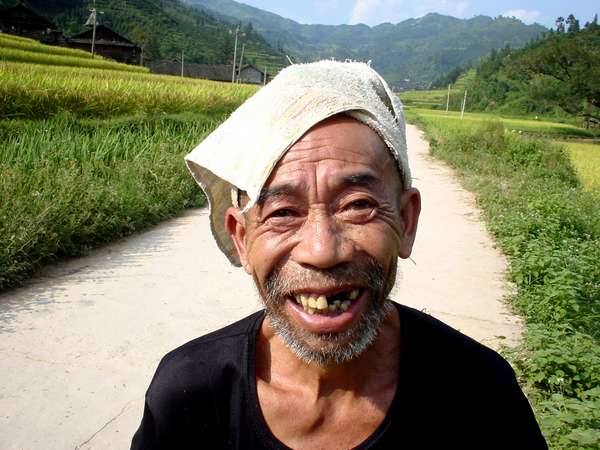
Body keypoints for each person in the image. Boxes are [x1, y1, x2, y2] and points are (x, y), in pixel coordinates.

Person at [131, 61, 547, 449]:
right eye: (282, 212)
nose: (322, 251)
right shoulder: (189, 396)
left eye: (357, 205)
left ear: (406, 221)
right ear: (241, 238)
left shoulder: (478, 393)